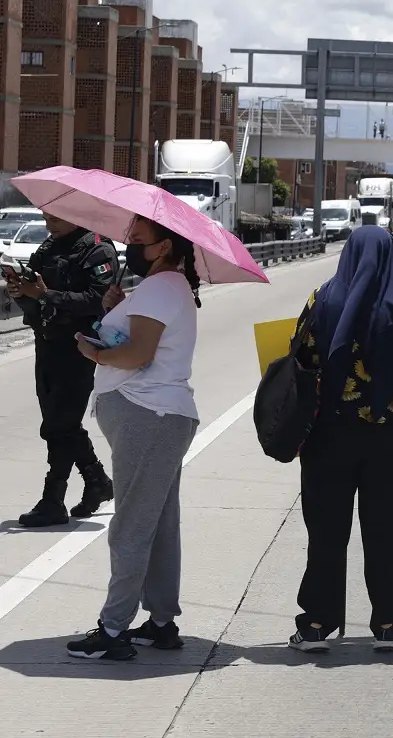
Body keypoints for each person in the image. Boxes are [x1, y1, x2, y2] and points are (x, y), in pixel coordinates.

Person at [288, 227, 393, 654]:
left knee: (325, 532)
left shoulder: (322, 300)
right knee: (387, 533)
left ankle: (317, 624)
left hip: (328, 438)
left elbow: (298, 360)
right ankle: (390, 626)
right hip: (389, 442)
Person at [64, 215, 204, 660]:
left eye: (138, 239)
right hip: (157, 416)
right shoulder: (162, 288)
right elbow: (140, 340)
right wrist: (116, 307)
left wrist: (92, 351)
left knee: (131, 525)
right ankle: (161, 622)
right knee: (157, 523)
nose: (130, 246)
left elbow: (138, 354)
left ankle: (113, 629)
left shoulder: (162, 287)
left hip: (149, 416)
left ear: (163, 247)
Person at [5, 213, 118, 528]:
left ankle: (53, 499)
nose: (47, 223)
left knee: (60, 423)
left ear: (75, 214)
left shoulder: (98, 250)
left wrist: (44, 294)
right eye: (45, 216)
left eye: (54, 217)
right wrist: (21, 292)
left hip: (78, 346)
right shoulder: (50, 247)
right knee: (58, 421)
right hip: (47, 341)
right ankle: (97, 481)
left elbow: (97, 300)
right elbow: (36, 295)